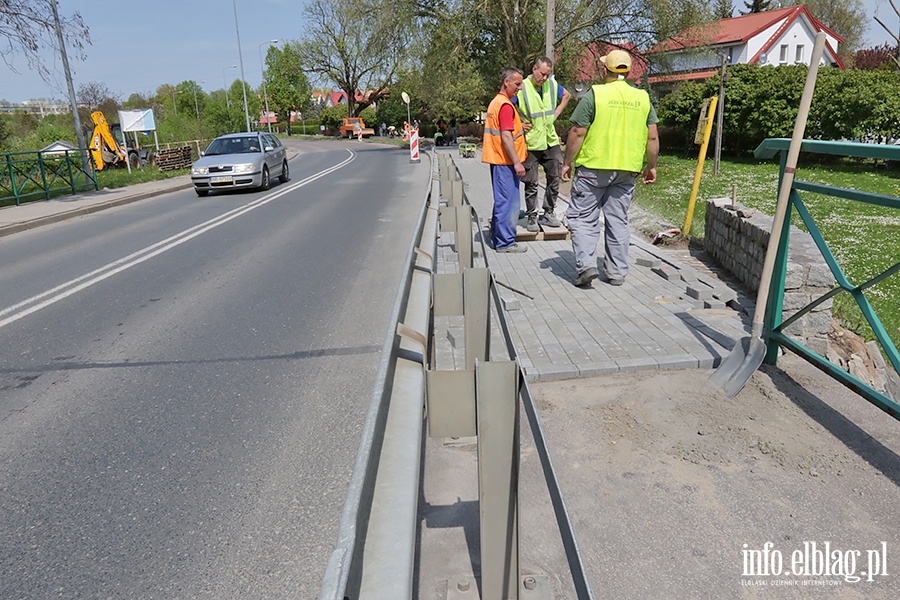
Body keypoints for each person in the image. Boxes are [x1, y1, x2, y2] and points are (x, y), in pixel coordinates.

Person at [561, 49, 659, 287]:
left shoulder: (596, 95)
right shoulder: (642, 98)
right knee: (618, 221)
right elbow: (653, 137)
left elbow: (577, 131)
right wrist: (651, 167)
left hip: (593, 169)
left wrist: (566, 162)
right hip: (626, 172)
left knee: (584, 219)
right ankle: (616, 273)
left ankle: (586, 266)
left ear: (606, 70)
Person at [514, 56, 571, 232]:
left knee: (554, 177)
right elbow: (507, 105)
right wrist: (518, 124)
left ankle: (548, 213)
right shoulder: (522, 87)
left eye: (548, 75)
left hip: (550, 139)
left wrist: (555, 114)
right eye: (543, 74)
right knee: (531, 181)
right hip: (531, 141)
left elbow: (567, 95)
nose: (545, 78)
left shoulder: (552, 86)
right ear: (534, 69)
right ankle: (532, 216)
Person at [483, 67, 529, 253]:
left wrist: (520, 128)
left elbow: (508, 131)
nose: (520, 88)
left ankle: (497, 237)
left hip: (499, 160)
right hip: (506, 162)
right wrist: (517, 162)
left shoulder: (497, 102)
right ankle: (505, 243)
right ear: (506, 82)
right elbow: (506, 136)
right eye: (517, 84)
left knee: (502, 200)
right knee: (509, 203)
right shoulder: (505, 106)